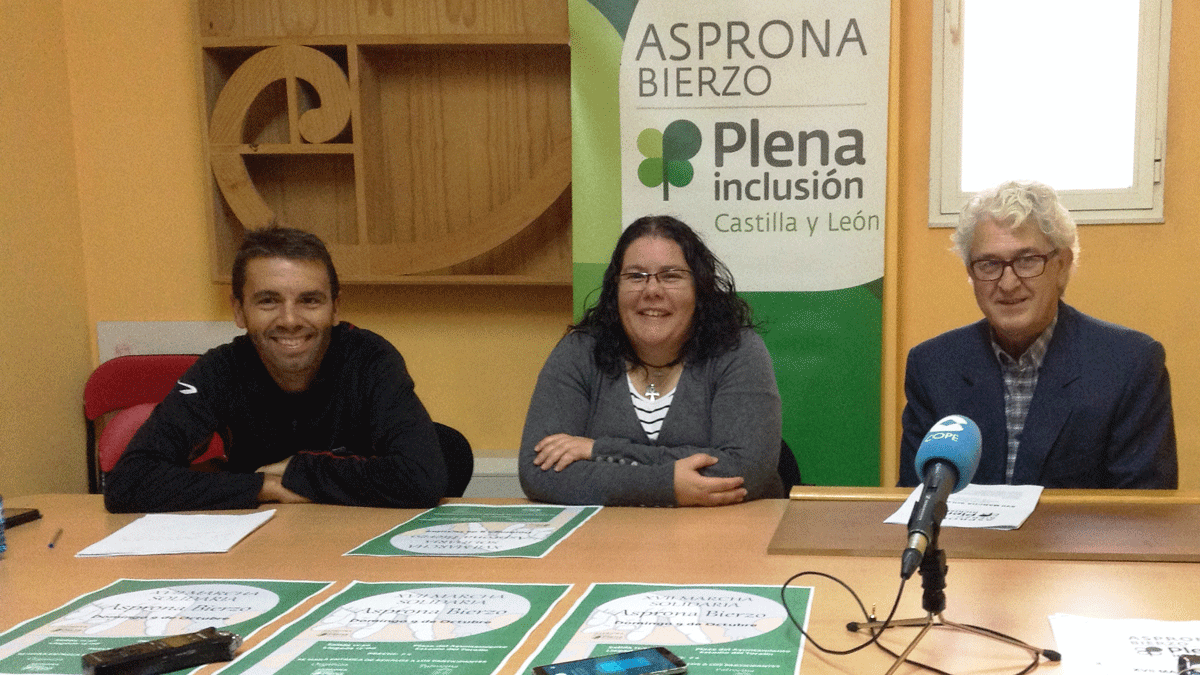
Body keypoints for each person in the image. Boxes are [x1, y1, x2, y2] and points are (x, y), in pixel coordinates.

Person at [104, 227, 449, 512]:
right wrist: (263, 486)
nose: (290, 320)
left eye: (309, 300)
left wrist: (299, 471)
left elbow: (422, 477)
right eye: (268, 300)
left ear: (334, 308)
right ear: (239, 311)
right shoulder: (219, 369)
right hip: (257, 546)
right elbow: (127, 482)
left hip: (355, 536)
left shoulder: (370, 358)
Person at [899, 180, 1177, 489]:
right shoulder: (933, 367)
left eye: (1027, 260)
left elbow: (1144, 512)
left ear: (1062, 266)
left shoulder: (1129, 365)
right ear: (970, 273)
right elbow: (916, 499)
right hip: (962, 539)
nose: (1007, 283)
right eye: (989, 264)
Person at [520, 215, 784, 506]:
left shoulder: (737, 351)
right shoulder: (580, 352)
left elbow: (745, 469)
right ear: (615, 288)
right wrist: (666, 484)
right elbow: (539, 471)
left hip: (724, 539)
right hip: (607, 542)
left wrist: (599, 450)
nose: (652, 291)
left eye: (671, 276)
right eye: (636, 276)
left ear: (700, 288)